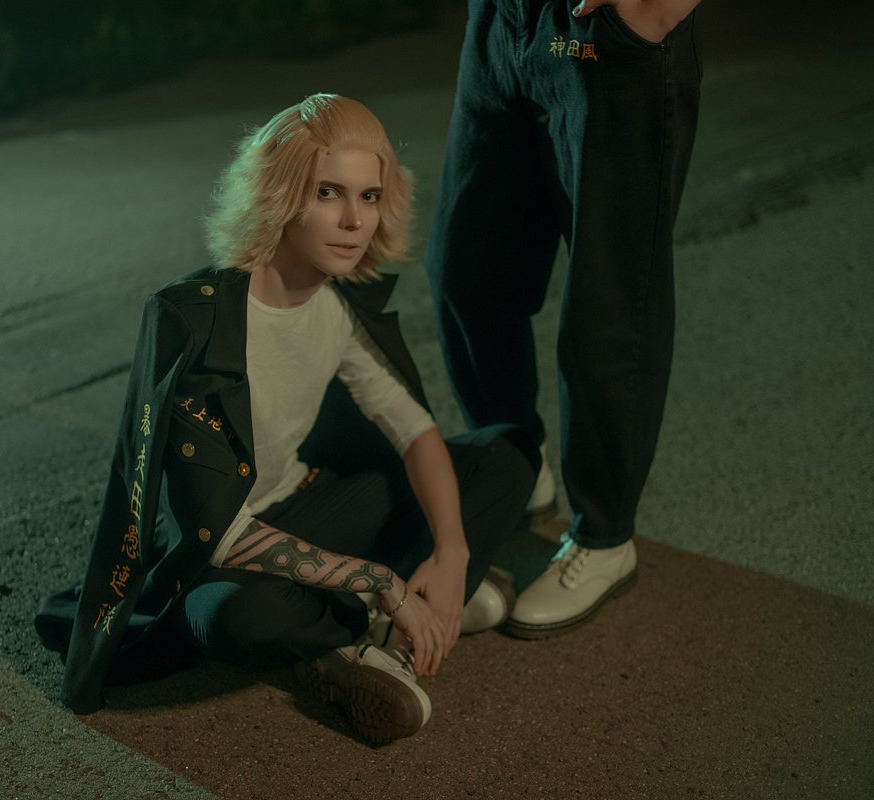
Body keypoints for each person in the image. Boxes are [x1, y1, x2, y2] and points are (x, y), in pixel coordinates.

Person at [35, 94, 532, 744]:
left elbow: (413, 430)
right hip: (215, 550)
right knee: (233, 616)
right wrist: (382, 582)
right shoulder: (197, 323)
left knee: (505, 456)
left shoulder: (338, 303)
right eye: (328, 193)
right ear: (278, 195)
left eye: (370, 196)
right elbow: (218, 533)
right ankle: (373, 631)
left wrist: (452, 550)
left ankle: (400, 612)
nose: (354, 220)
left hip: (307, 501)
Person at [425, 0, 704, 638]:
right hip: (500, 23)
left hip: (606, 32)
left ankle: (605, 539)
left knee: (609, 302)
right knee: (466, 270)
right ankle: (514, 460)